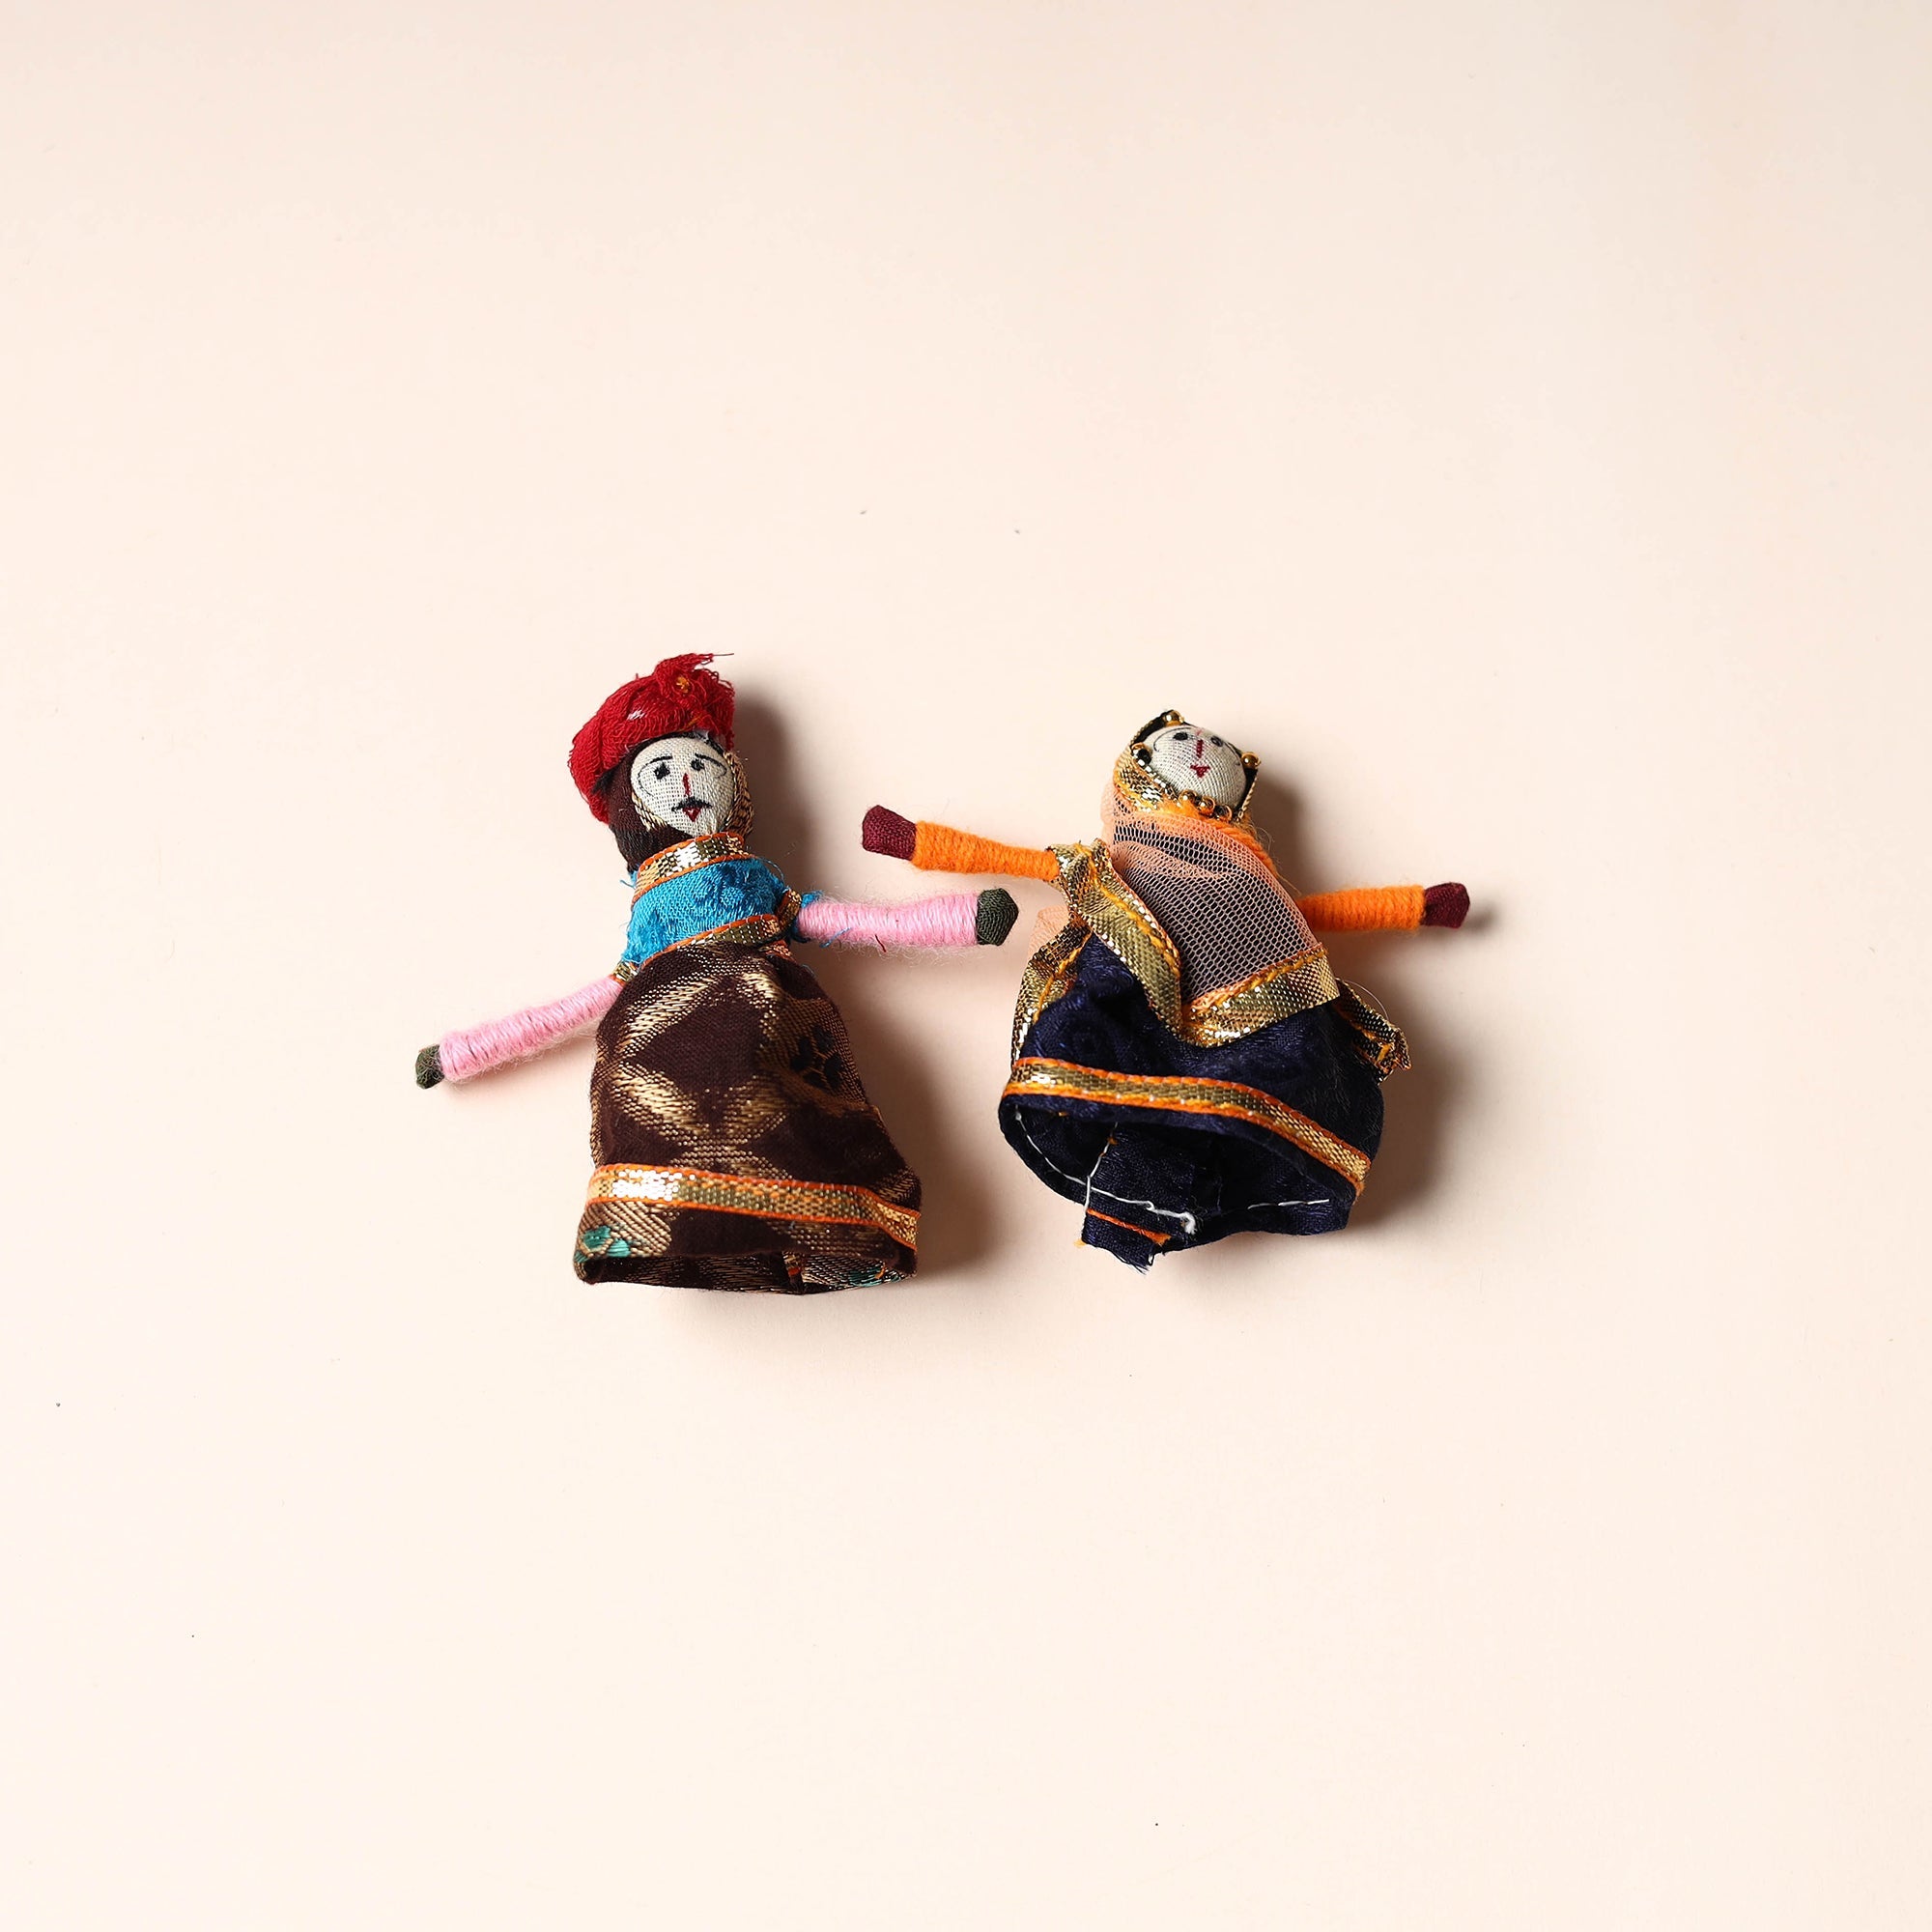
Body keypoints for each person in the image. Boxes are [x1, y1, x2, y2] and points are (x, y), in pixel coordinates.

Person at [417, 655, 1016, 1291]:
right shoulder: (649, 920)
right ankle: (682, 1213)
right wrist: (464, 1052)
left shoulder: (758, 885)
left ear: (733, 780)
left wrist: (964, 920)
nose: (685, 782)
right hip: (661, 1025)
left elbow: (850, 921)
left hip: (769, 1013)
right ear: (628, 808)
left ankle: (817, 1220)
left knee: (786, 1099)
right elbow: (581, 1004)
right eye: (659, 773)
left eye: (701, 765)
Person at [863, 710, 1468, 1269]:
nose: (1199, 756)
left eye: (1211, 754)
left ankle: (1161, 1200)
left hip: (1261, 1001)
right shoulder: (1114, 865)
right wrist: (919, 842)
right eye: (1182, 745)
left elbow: (1315, 914)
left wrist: (1414, 906)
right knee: (1140, 1087)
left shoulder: (1249, 875)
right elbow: (1027, 862)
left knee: (1240, 1095)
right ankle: (1136, 1205)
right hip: (1134, 989)